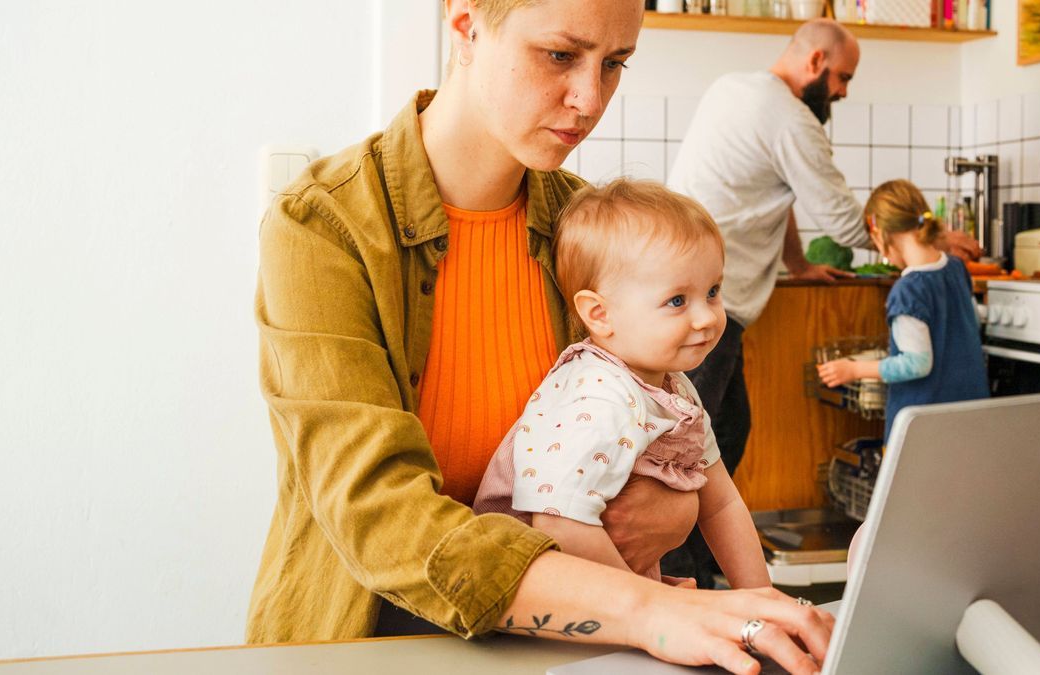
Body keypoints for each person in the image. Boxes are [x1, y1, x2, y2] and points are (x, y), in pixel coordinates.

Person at [248, 0, 833, 672]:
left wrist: (675, 514)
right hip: (369, 641)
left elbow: (666, 455)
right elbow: (381, 518)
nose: (589, 98)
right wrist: (648, 603)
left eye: (614, 64)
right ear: (467, 25)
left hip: (554, 646)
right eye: (560, 54)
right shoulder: (322, 226)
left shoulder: (590, 232)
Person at [664, 18, 981, 587]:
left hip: (691, 292)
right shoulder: (791, 117)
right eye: (843, 77)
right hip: (704, 300)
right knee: (696, 439)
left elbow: (774, 195)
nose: (843, 91)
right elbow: (840, 218)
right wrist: (924, 240)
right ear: (815, 63)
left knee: (724, 428)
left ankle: (705, 564)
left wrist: (799, 263)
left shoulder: (735, 90)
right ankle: (681, 574)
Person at [474, 179, 770, 590]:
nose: (707, 318)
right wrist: (653, 607)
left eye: (713, 291)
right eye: (677, 301)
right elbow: (559, 525)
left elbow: (720, 503)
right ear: (599, 314)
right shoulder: (598, 397)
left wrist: (761, 597)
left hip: (602, 594)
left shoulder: (674, 387)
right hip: (528, 607)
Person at [817, 179, 989, 441]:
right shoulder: (956, 268)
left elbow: (916, 364)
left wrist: (853, 370)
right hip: (971, 416)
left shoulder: (909, 290)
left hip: (925, 431)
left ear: (881, 236)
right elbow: (974, 323)